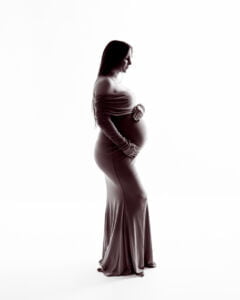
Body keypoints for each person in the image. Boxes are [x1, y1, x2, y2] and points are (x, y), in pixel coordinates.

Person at [92, 40, 156, 277]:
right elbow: (102, 120)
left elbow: (121, 110)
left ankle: (129, 256)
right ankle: (124, 261)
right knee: (138, 197)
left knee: (123, 201)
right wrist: (125, 144)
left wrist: (138, 110)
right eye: (127, 57)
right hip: (113, 153)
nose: (130, 62)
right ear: (115, 57)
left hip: (119, 154)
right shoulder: (104, 83)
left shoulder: (114, 82)